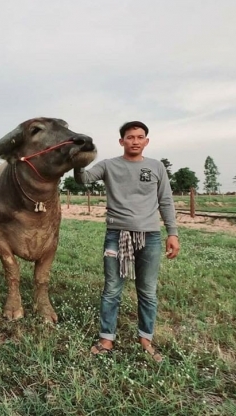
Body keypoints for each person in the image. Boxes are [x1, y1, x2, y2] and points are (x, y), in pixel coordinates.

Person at [74, 121, 180, 362]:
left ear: (146, 141)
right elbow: (84, 179)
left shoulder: (156, 167)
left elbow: (166, 201)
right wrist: (78, 162)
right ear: (121, 141)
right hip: (117, 234)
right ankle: (106, 339)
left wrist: (172, 233)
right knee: (112, 289)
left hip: (150, 236)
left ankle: (146, 339)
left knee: (148, 290)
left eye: (140, 137)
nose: (135, 141)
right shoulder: (109, 165)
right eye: (130, 137)